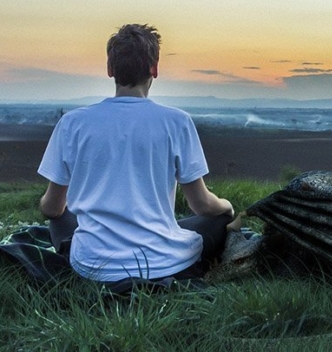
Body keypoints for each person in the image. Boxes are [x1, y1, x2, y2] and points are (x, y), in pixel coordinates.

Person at [38, 24, 234, 285]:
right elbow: (202, 205)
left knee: (59, 217)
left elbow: (51, 208)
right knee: (218, 221)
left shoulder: (72, 123)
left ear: (110, 70)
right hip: (162, 262)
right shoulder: (177, 122)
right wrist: (227, 207)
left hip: (92, 265)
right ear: (154, 69)